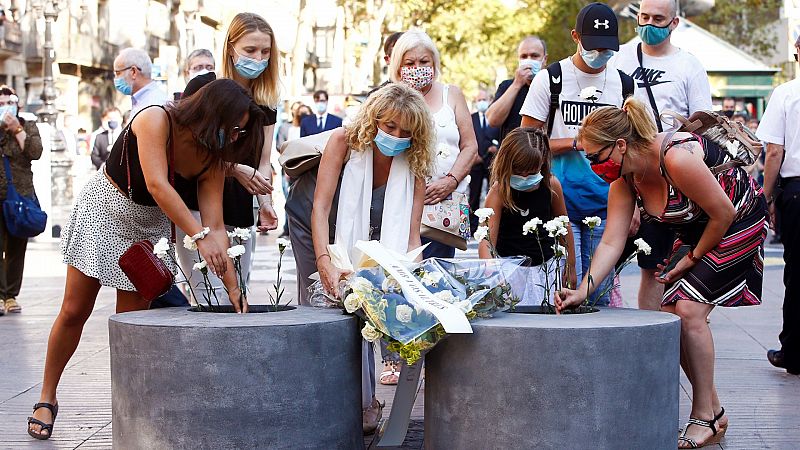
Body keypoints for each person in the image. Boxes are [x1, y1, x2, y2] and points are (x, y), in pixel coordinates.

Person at [26, 79, 264, 440]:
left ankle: (130, 415)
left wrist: (234, 288)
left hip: (149, 226)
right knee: (75, 310)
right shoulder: (156, 119)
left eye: (240, 131)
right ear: (210, 114)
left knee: (132, 327)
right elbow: (157, 184)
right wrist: (198, 236)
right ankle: (47, 397)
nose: (234, 138)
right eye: (231, 128)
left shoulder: (213, 159)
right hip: (105, 210)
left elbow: (215, 228)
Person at [556, 98, 767, 447]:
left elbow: (723, 214)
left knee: (689, 311)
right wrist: (583, 289)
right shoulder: (625, 182)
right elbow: (611, 242)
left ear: (621, 145)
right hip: (701, 228)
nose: (593, 166)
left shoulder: (675, 158)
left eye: (595, 157)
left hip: (737, 216)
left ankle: (703, 415)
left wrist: (691, 258)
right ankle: (713, 410)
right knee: (670, 316)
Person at [289, 83, 433, 433]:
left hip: (365, 232)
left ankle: (366, 402)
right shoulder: (344, 140)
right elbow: (320, 207)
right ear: (374, 120)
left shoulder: (414, 161)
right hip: (314, 222)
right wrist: (324, 259)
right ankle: (322, 398)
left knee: (369, 303)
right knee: (327, 305)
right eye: (389, 126)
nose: (396, 136)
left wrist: (408, 278)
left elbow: (412, 232)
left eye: (406, 132)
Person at [520, 2, 632, 305]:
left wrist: (634, 207)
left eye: (607, 49)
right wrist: (576, 142)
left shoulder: (623, 83)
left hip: (608, 201)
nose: (600, 55)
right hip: (561, 201)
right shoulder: (551, 78)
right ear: (575, 37)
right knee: (567, 288)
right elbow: (526, 141)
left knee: (598, 294)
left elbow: (631, 146)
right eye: (593, 47)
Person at [609, 0, 712, 311]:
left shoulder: (688, 65)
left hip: (671, 179)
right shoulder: (620, 58)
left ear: (674, 23)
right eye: (644, 17)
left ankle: (656, 337)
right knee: (608, 257)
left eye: (658, 18)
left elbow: (702, 124)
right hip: (627, 174)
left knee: (656, 269)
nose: (649, 24)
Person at [173, 13, 280, 305]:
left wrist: (266, 203)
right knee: (209, 294)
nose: (258, 58)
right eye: (250, 50)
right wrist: (234, 169)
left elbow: (263, 160)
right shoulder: (202, 87)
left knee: (238, 294)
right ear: (230, 48)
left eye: (265, 51)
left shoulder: (266, 99)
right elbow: (186, 152)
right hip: (197, 208)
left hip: (239, 209)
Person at [389, 29, 478, 258]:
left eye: (424, 61)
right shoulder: (390, 98)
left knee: (439, 279)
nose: (417, 67)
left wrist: (450, 181)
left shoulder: (452, 95)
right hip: (400, 204)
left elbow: (470, 146)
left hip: (442, 209)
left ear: (434, 62)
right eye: (410, 62)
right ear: (398, 65)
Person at [478, 127, 575, 305]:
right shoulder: (499, 191)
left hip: (547, 269)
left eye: (531, 172)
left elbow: (564, 226)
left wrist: (571, 266)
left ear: (542, 164)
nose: (524, 177)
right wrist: (491, 273)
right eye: (518, 171)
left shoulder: (551, 185)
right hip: (510, 271)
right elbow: (486, 239)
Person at [758, 35, 800, 376]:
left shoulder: (787, 93)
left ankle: (795, 350)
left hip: (796, 191)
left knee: (798, 272)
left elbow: (774, 152)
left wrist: (767, 195)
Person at [0, 86, 43, 316]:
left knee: (17, 247)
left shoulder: (27, 125)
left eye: (9, 102)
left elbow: (35, 152)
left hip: (20, 195)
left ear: (18, 105)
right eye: (1, 103)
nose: (5, 106)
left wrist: (17, 130)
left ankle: (10, 295)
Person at [486, 36, 547, 143]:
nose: (529, 60)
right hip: (512, 156)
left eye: (534, 56)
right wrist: (517, 84)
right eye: (524, 57)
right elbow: (492, 120)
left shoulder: (553, 87)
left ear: (544, 59)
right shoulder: (507, 86)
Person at [469, 89, 500, 233]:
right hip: (476, 162)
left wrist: (496, 147)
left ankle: (490, 224)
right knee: (474, 195)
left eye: (484, 99)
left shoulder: (495, 118)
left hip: (491, 162)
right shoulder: (471, 118)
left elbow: (501, 136)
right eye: (479, 100)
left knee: (492, 193)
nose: (482, 102)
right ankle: (473, 225)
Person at [112, 48, 168, 116]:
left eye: (118, 73)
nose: (116, 79)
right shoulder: (142, 101)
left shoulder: (153, 105)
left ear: (133, 72)